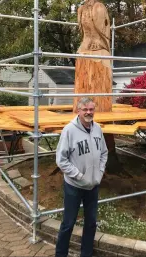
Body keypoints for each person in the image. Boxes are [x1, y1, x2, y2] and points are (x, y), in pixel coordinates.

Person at [55, 97, 108, 257]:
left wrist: (99, 172)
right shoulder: (69, 131)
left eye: (91, 109)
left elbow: (104, 152)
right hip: (74, 187)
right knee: (68, 223)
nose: (88, 112)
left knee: (91, 223)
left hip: (93, 186)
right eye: (85, 109)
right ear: (78, 111)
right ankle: (60, 254)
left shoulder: (98, 128)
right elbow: (61, 160)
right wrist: (78, 175)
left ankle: (86, 253)